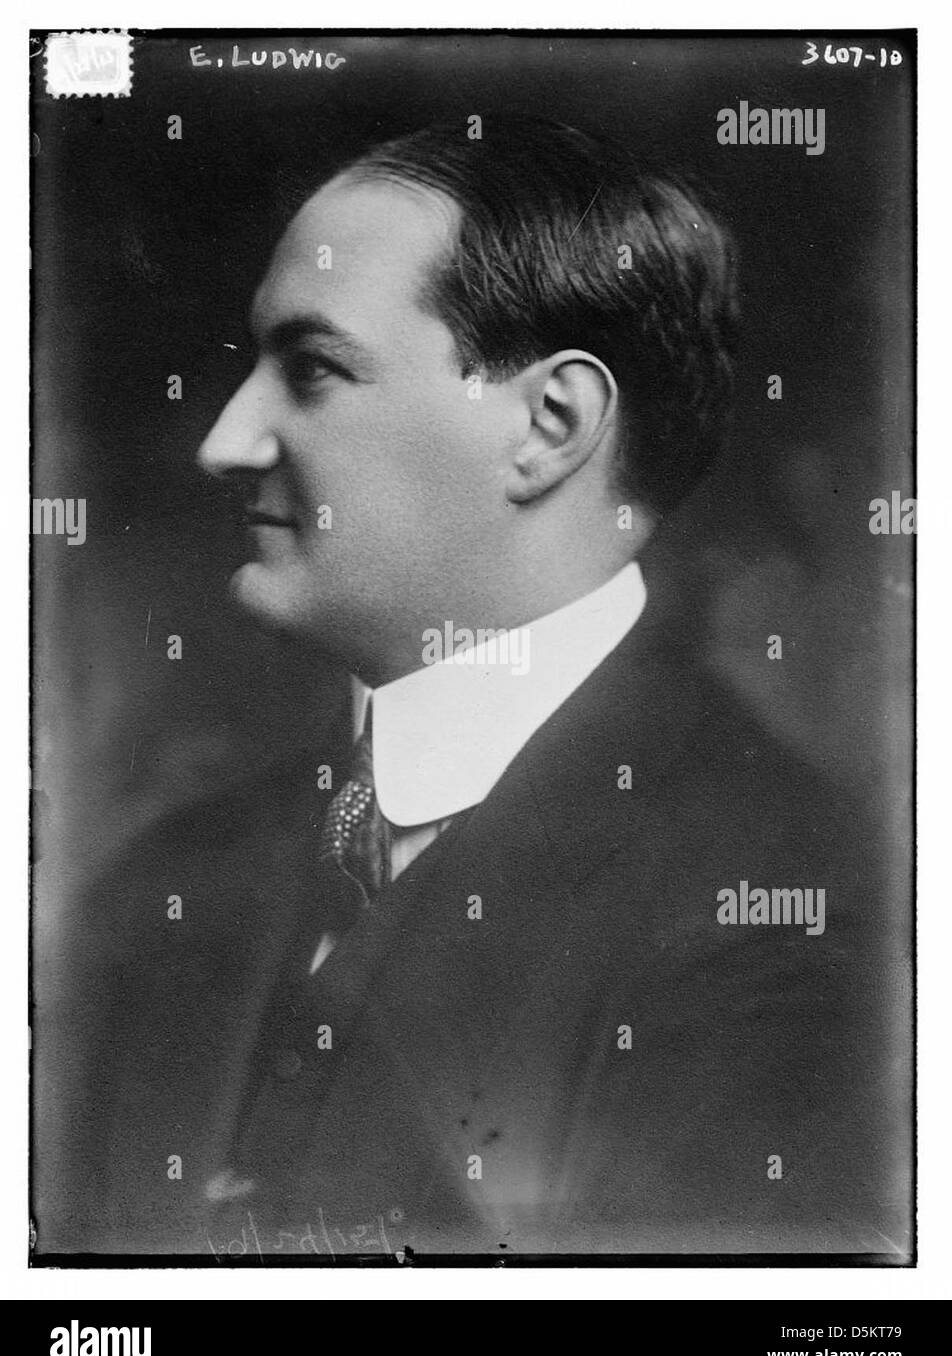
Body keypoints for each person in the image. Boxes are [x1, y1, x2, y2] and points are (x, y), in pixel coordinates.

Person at [35, 120, 910, 1259]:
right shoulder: (155, 886)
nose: (226, 438)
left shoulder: (799, 923)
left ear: (549, 427)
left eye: (312, 369)